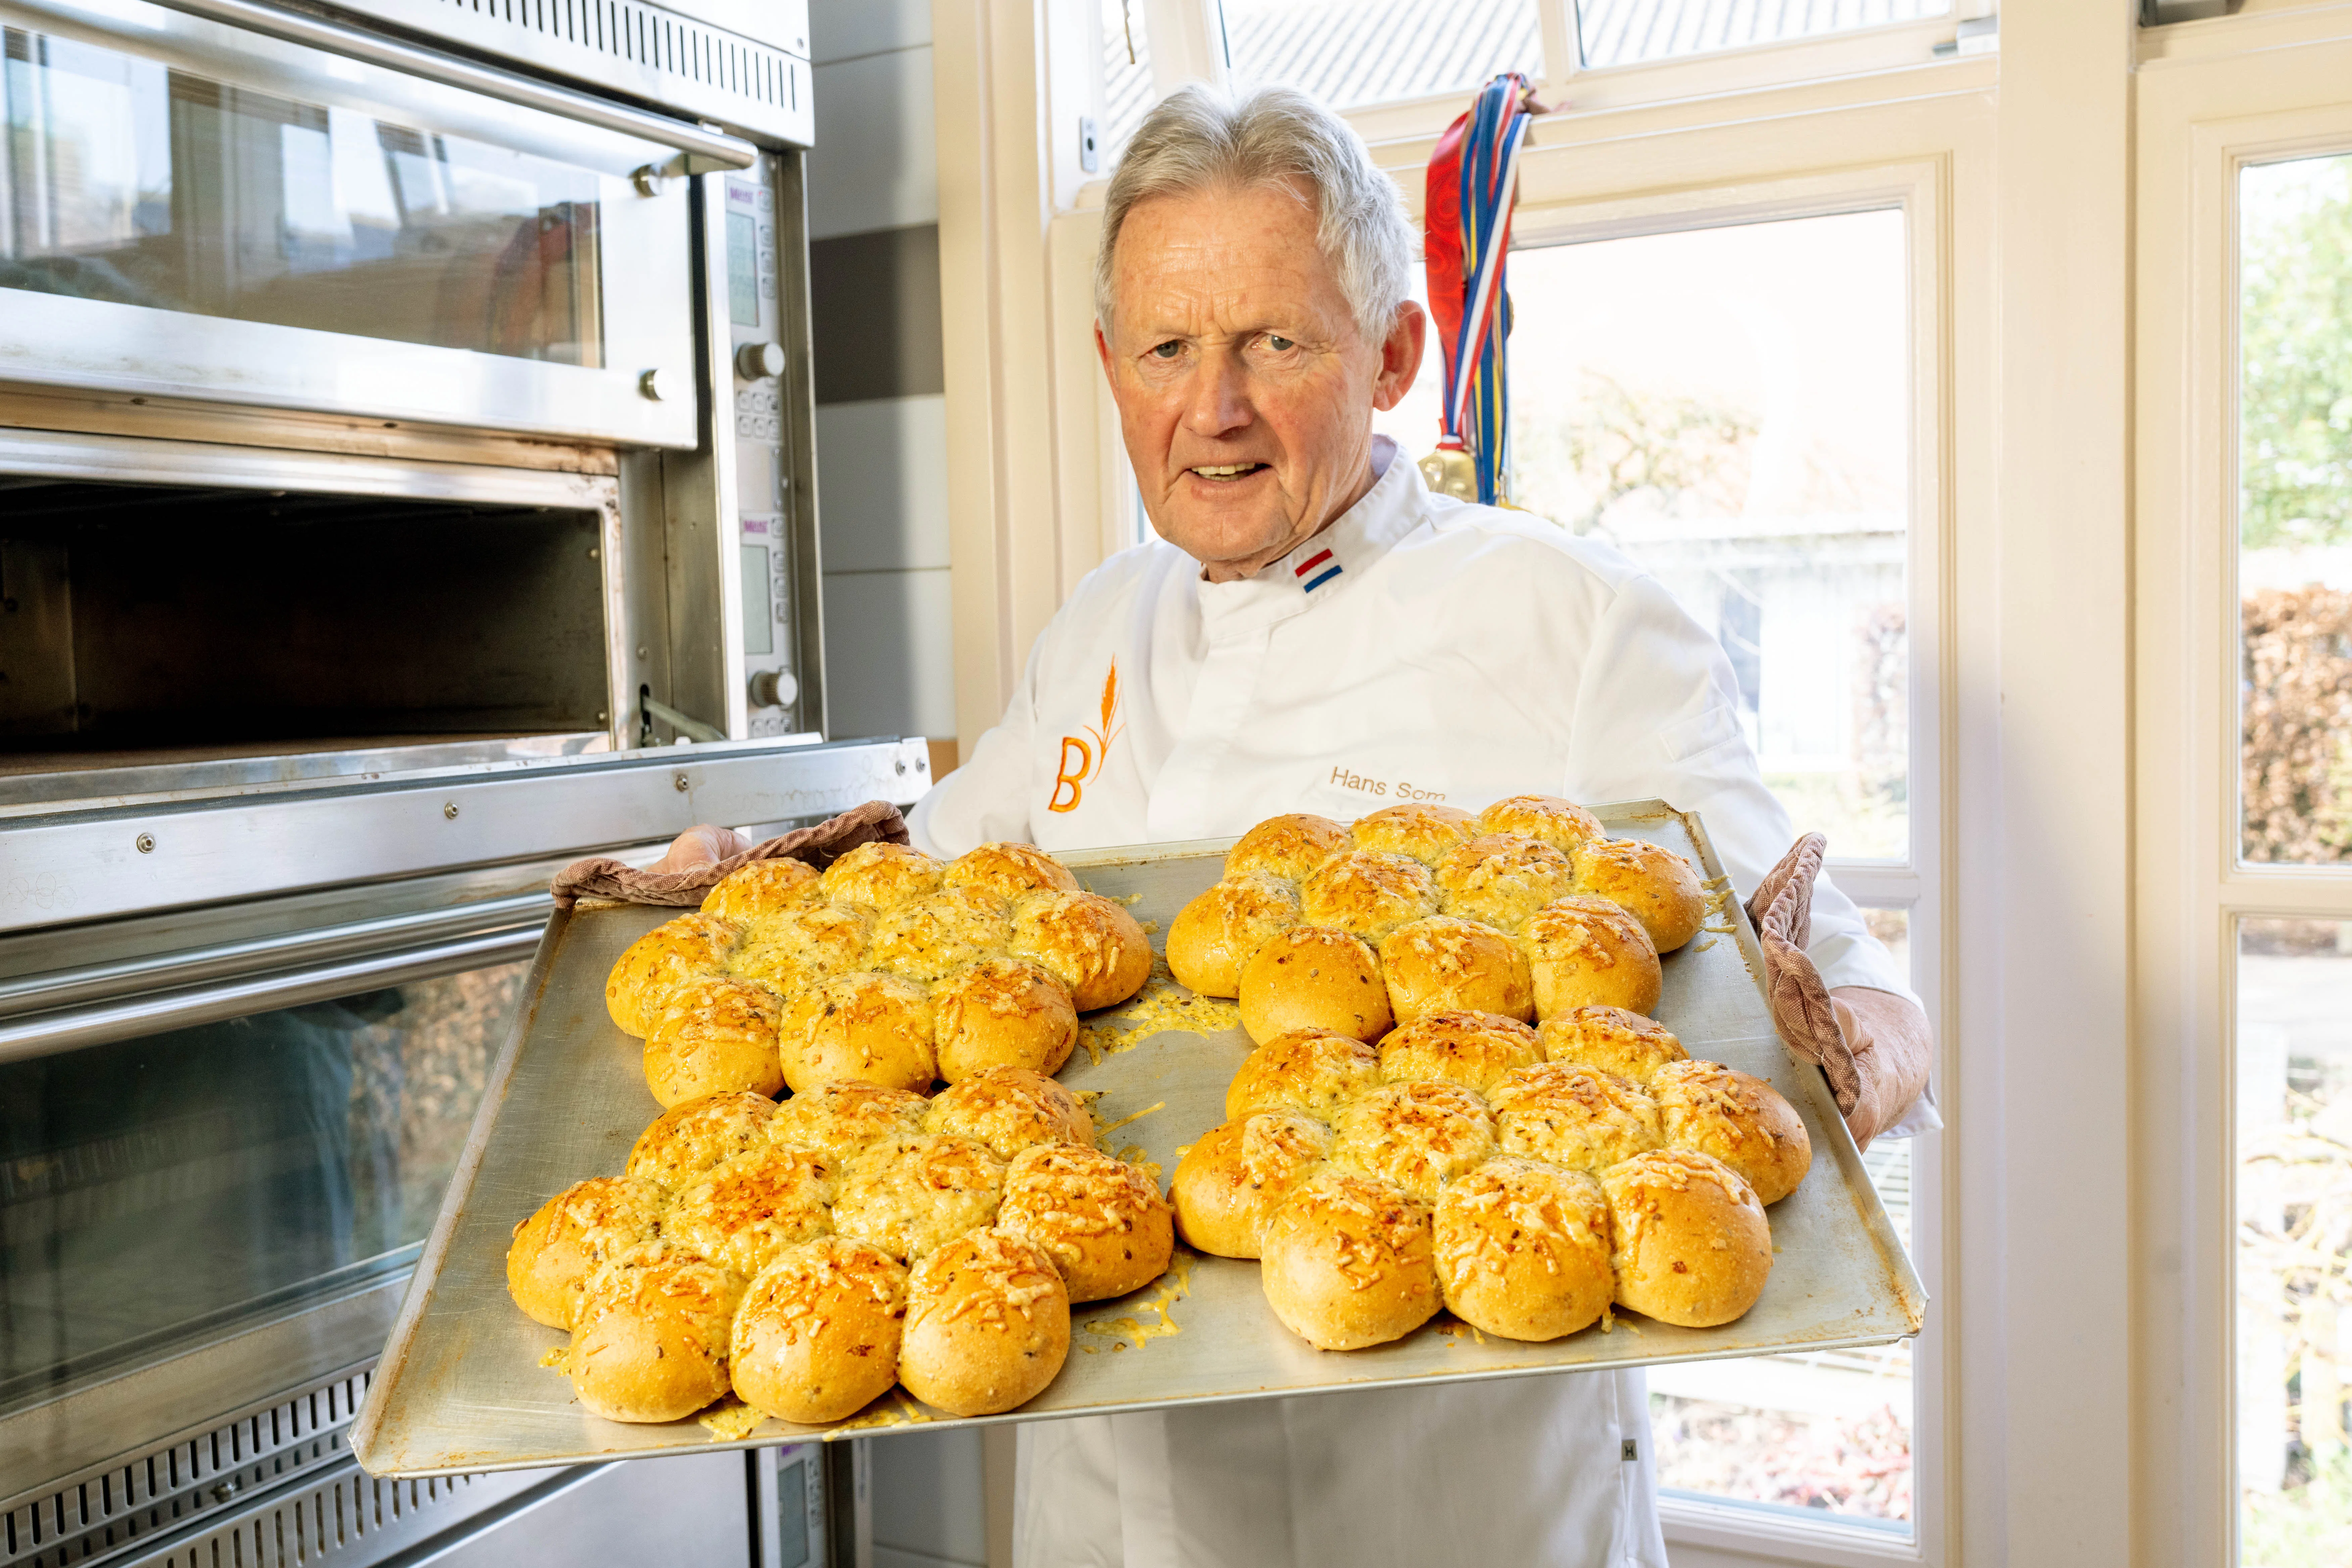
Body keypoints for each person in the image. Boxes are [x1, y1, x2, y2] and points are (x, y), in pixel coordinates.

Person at [666, 83, 1931, 1568]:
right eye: (1166, 349)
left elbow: (1859, 996)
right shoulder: (1098, 624)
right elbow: (927, 887)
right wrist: (737, 880)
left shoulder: (1571, 622)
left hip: (1448, 1509)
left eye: (1275, 342)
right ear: (1110, 367)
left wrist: (1852, 1050)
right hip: (1108, 1499)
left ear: (1392, 352)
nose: (1213, 408)